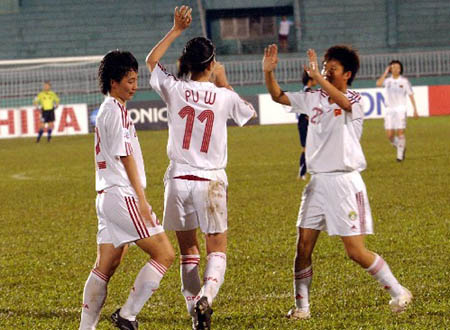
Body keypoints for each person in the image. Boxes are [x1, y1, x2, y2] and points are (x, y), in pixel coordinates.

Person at [263, 44, 412, 320]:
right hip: (317, 184)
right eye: (324, 68)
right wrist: (268, 73)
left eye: (332, 69)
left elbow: (343, 104)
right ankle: (302, 308)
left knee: (355, 252)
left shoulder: (356, 99)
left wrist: (318, 78)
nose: (325, 73)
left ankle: (398, 291)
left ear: (348, 74)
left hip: (345, 183)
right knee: (303, 247)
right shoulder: (313, 97)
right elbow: (277, 96)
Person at [146, 6, 256, 330]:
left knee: (188, 252)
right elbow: (247, 113)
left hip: (178, 181)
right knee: (216, 248)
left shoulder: (175, 88)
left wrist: (176, 29)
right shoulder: (222, 96)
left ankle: (195, 314)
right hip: (210, 182)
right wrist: (224, 82)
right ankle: (207, 297)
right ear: (211, 64)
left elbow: (151, 61)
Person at [79, 50, 175, 330]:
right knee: (165, 254)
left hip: (106, 195)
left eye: (136, 80)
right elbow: (126, 156)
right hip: (121, 195)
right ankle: (127, 315)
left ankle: (86, 328)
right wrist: (142, 199)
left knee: (106, 264)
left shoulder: (107, 109)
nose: (135, 86)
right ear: (113, 82)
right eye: (130, 80)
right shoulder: (116, 111)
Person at [376, 60, 418, 161]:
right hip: (389, 110)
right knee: (390, 136)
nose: (395, 69)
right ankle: (401, 147)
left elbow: (411, 95)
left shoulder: (404, 81)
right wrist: (385, 73)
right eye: (393, 67)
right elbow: (378, 83)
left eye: (397, 67)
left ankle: (399, 156)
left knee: (400, 132)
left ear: (400, 69)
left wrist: (415, 109)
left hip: (400, 109)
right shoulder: (387, 81)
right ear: (390, 69)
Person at [296, 70, 316, 180]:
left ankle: (304, 171)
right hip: (305, 121)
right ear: (310, 80)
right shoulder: (308, 92)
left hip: (304, 120)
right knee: (307, 147)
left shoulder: (304, 91)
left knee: (309, 147)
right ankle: (302, 171)